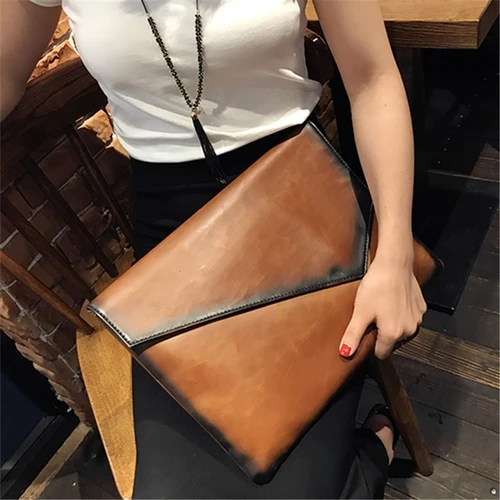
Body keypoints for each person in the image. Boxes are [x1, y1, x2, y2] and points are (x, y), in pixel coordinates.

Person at [1, 0, 427, 497]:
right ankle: (373, 452)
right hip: (175, 246)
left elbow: (373, 78)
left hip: (301, 208)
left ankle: (370, 450)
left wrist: (393, 256)